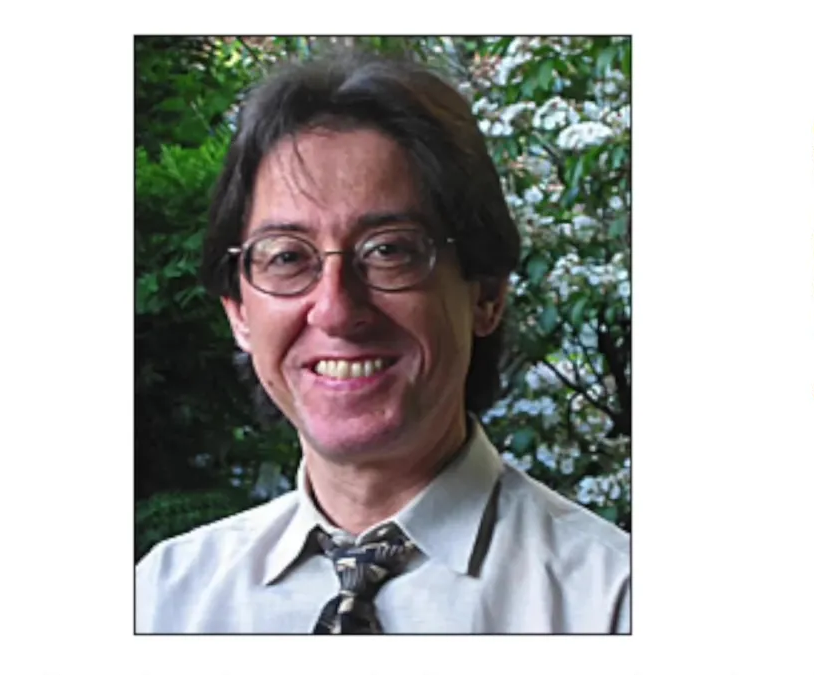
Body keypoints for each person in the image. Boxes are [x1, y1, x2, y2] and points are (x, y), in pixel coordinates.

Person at [135, 51, 630, 634]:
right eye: (288, 257)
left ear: (486, 294)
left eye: (389, 250)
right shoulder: (164, 602)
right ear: (239, 312)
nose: (336, 310)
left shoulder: (614, 605)